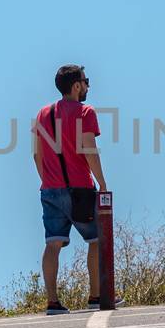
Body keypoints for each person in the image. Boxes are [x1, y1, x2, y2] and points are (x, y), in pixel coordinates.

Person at [32, 64, 110, 314]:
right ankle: (96, 296)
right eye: (86, 81)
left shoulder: (42, 113)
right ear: (76, 86)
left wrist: (49, 181)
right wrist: (102, 183)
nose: (88, 86)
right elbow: (89, 149)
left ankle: (52, 302)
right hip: (80, 190)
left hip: (49, 190)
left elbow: (36, 154)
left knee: (52, 244)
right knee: (96, 240)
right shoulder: (85, 111)